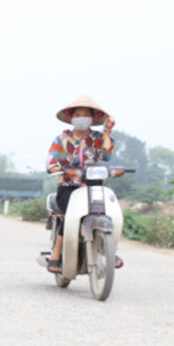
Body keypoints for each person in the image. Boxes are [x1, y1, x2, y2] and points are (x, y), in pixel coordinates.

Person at [45, 95, 122, 273]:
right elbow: (52, 160)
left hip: (95, 186)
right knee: (72, 214)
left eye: (85, 114)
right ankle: (56, 254)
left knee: (109, 213)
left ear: (93, 118)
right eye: (78, 114)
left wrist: (108, 131)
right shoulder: (62, 139)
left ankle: (111, 250)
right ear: (71, 118)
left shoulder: (97, 137)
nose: (81, 117)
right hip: (69, 187)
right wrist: (57, 168)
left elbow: (106, 155)